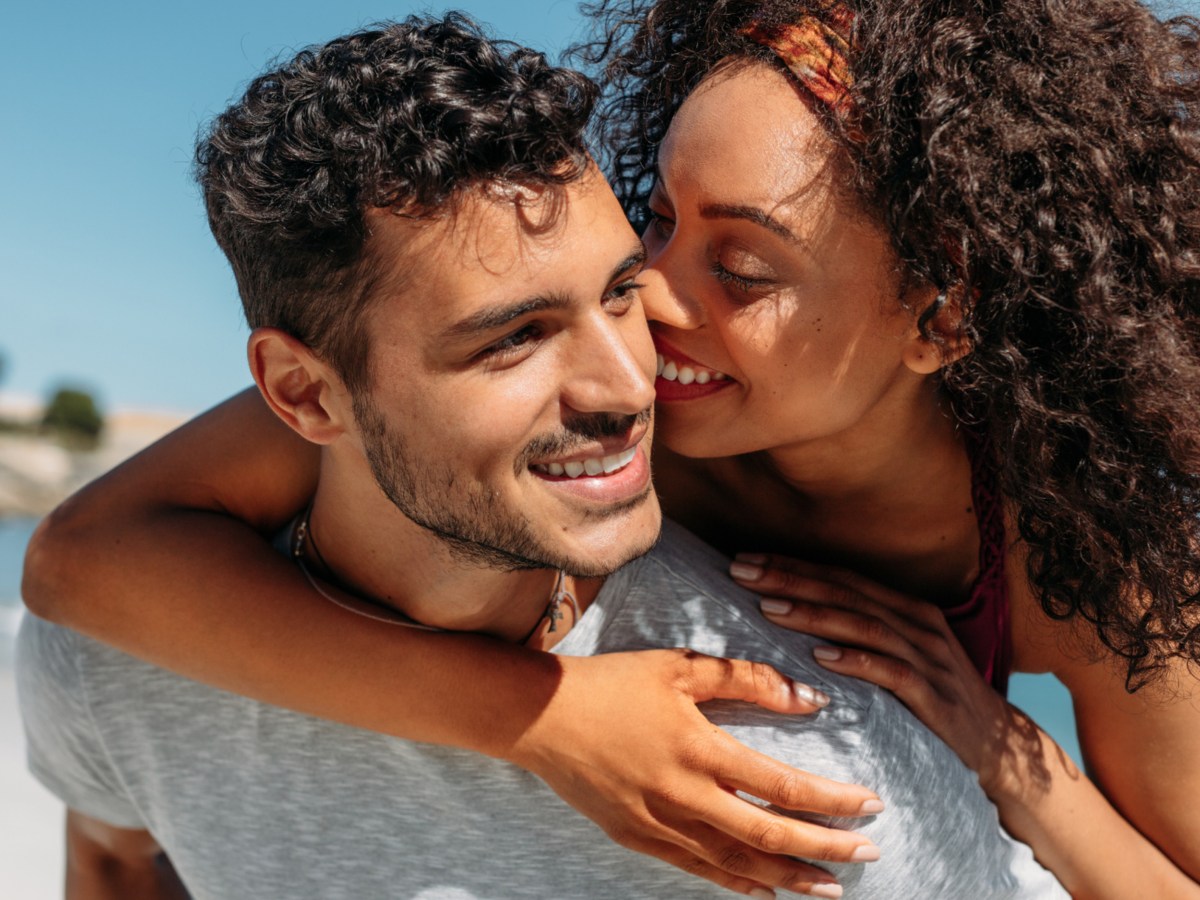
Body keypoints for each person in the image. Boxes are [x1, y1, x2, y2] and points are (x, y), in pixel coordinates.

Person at [21, 0, 1200, 896]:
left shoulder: (1074, 544)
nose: (651, 322)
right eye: (656, 232)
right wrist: (541, 717)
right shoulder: (631, 406)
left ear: (941, 315)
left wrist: (1001, 749)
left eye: (739, 269)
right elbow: (83, 564)